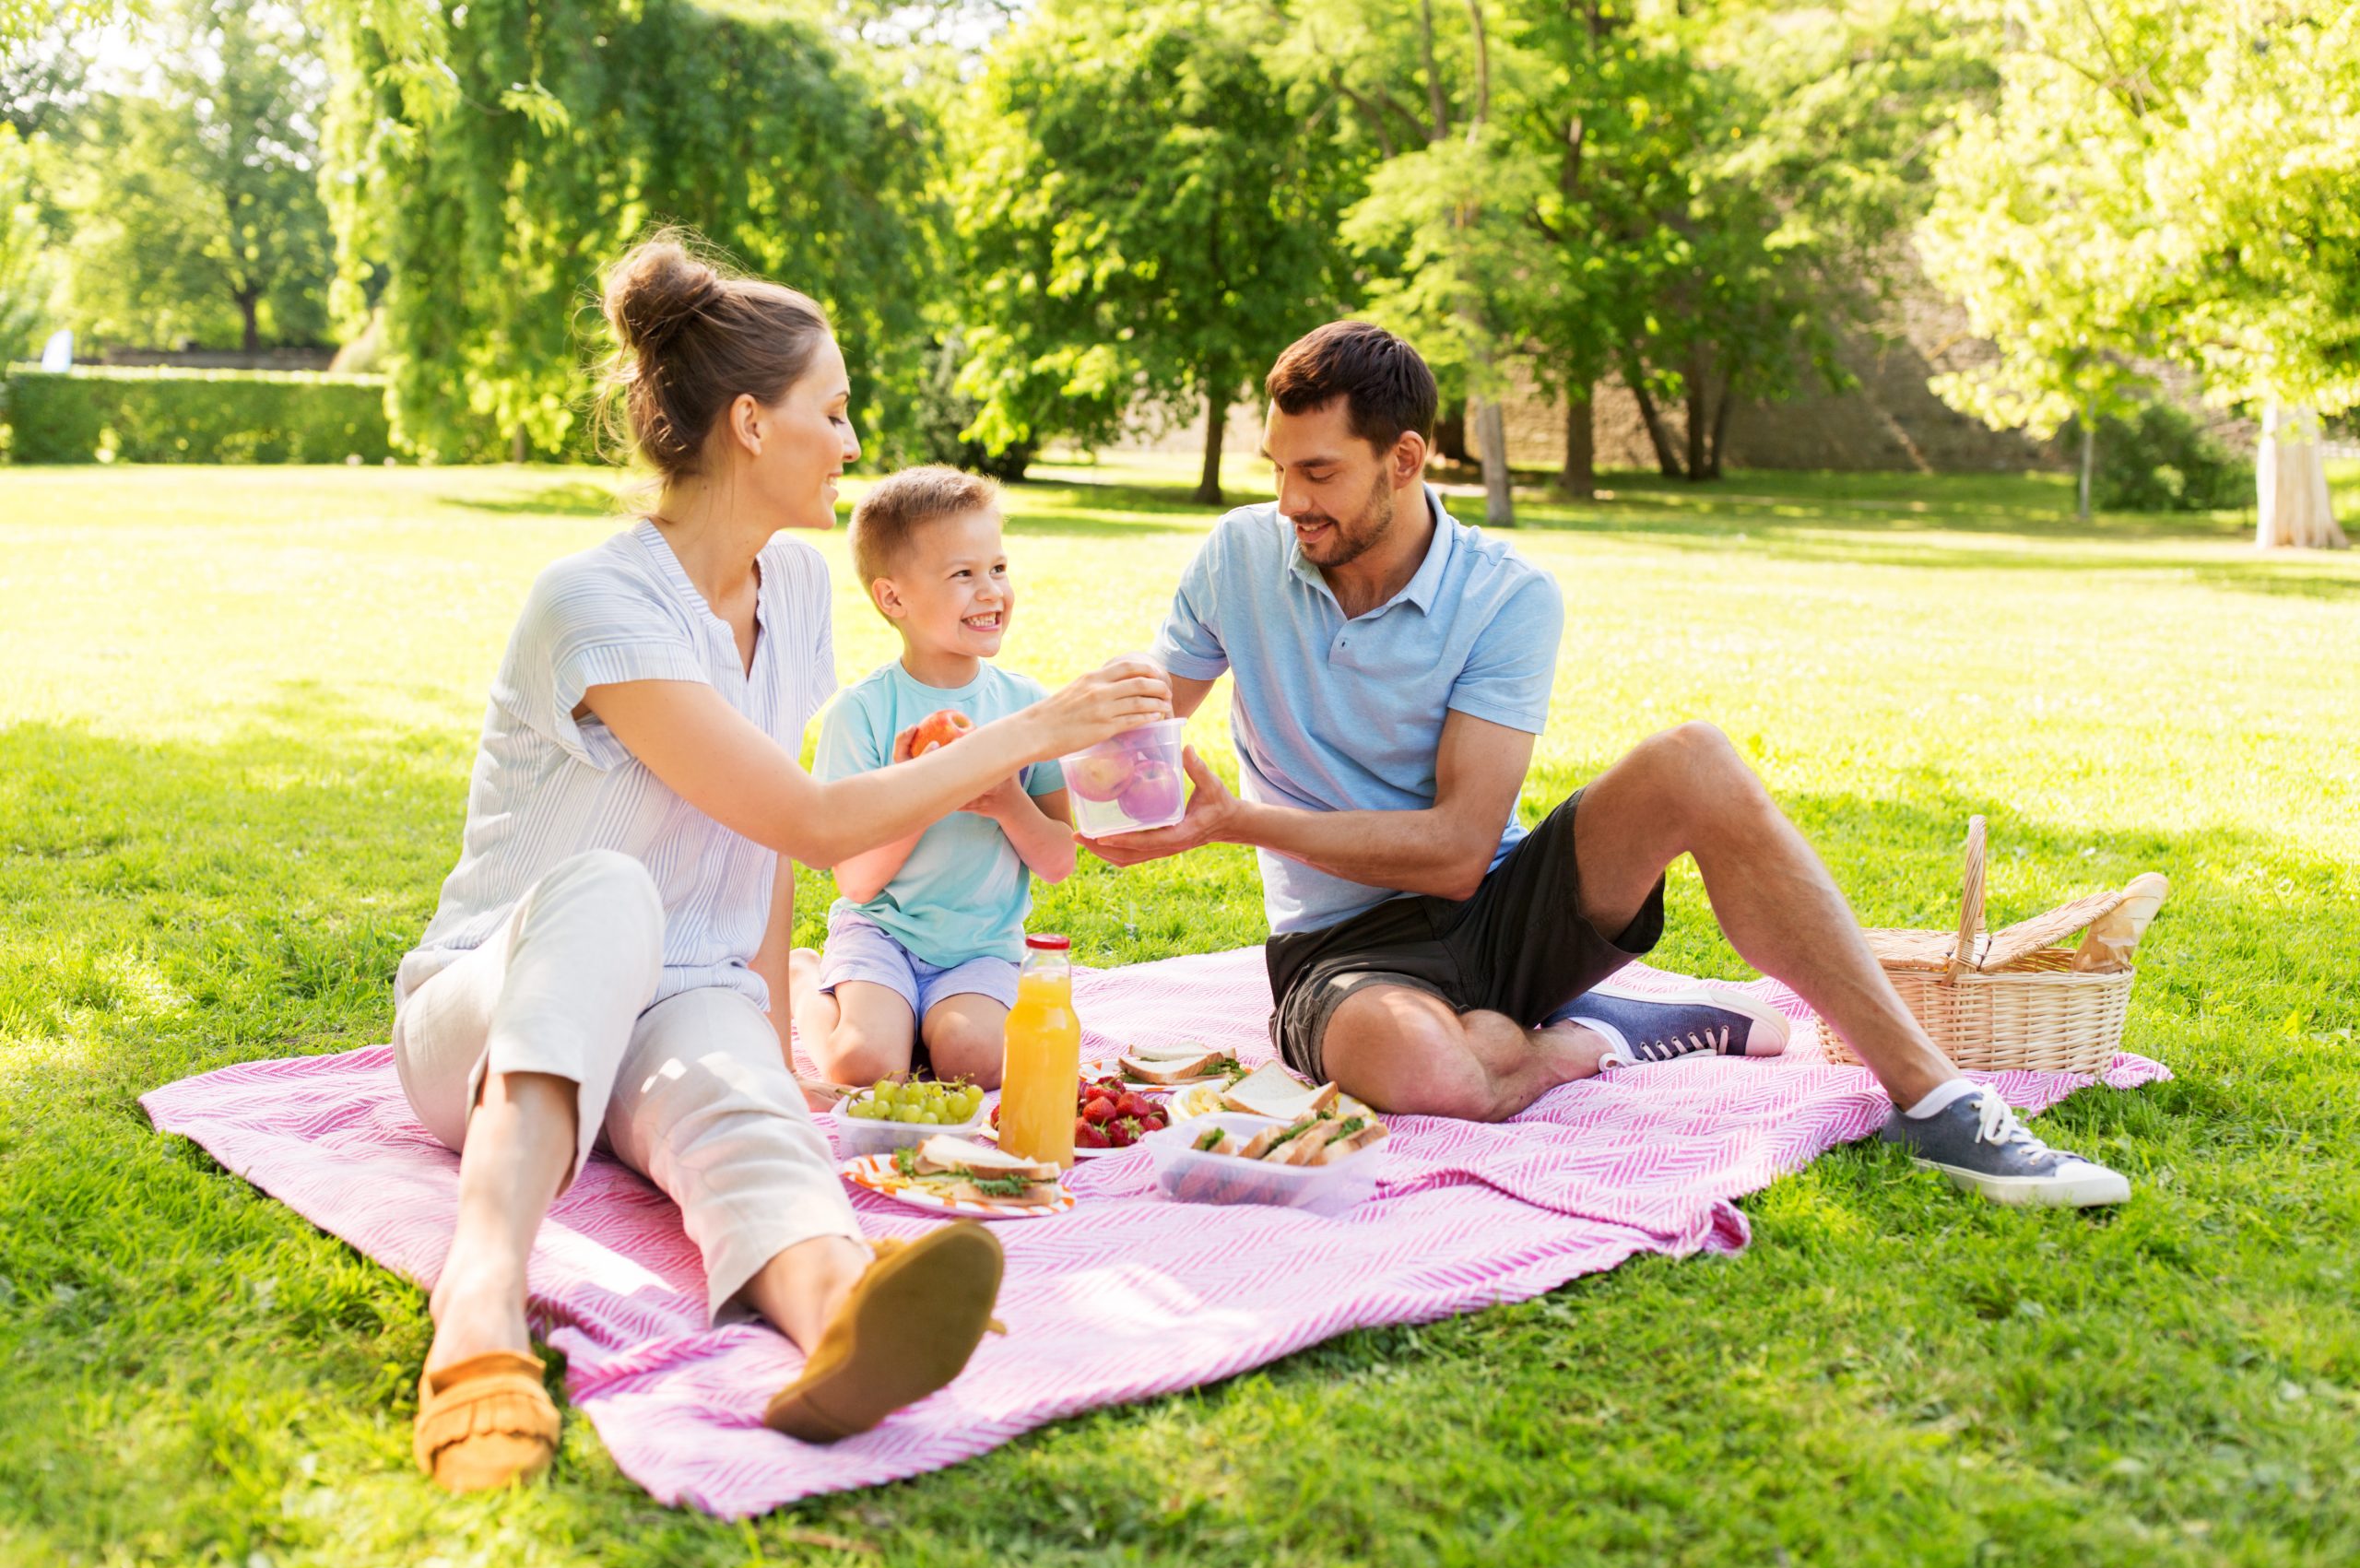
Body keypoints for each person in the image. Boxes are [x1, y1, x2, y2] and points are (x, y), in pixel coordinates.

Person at [391, 232, 1169, 1491]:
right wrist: (1035, 728)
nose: (855, 441)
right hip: (491, 1006)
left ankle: (838, 1309)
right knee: (608, 889)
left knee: (748, 1108)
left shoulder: (796, 585)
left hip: (677, 994)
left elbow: (758, 850)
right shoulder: (595, 601)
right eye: (836, 410)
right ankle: (477, 1316)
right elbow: (806, 813)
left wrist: (768, 1029)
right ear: (753, 423)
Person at [1088, 320, 2130, 1211]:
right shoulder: (1237, 556)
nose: (1288, 501)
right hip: (1339, 943)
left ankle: (1939, 1104)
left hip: (1494, 908)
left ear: (1403, 460)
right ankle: (1585, 1040)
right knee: (1424, 1070)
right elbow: (1128, 733)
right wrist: (1003, 748)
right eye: (1277, 468)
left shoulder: (1505, 594)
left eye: (1318, 473)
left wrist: (1236, 821)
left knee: (1696, 762)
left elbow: (1456, 852)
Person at [788, 466, 1074, 1089]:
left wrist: (1007, 803)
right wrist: (917, 788)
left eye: (998, 568)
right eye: (963, 574)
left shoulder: (1028, 711)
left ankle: (927, 1021)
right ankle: (805, 979)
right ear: (893, 598)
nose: (991, 591)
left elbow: (1059, 860)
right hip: (882, 933)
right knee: (863, 1066)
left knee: (974, 1060)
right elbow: (858, 882)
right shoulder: (860, 714)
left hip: (980, 945)